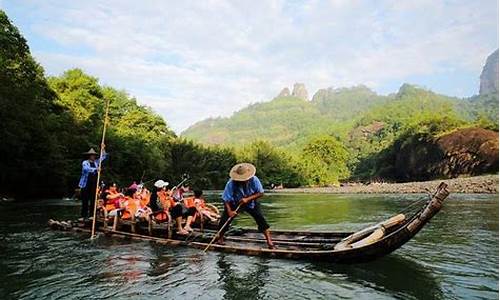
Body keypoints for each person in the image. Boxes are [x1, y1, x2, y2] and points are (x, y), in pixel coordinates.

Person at [216, 163, 275, 249]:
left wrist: (248, 199)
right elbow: (226, 199)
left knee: (260, 219)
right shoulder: (231, 183)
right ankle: (220, 239)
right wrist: (230, 211)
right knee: (224, 221)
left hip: (251, 202)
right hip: (235, 203)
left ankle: (269, 241)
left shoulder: (254, 180)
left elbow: (261, 193)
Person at [78, 146, 107, 220]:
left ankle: (91, 215)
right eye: (92, 155)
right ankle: (83, 215)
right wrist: (96, 169)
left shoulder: (96, 162)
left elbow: (103, 157)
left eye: (94, 155)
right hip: (85, 183)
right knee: (85, 199)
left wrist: (103, 148)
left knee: (93, 199)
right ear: (89, 156)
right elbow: (86, 169)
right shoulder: (85, 162)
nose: (93, 157)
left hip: (94, 183)